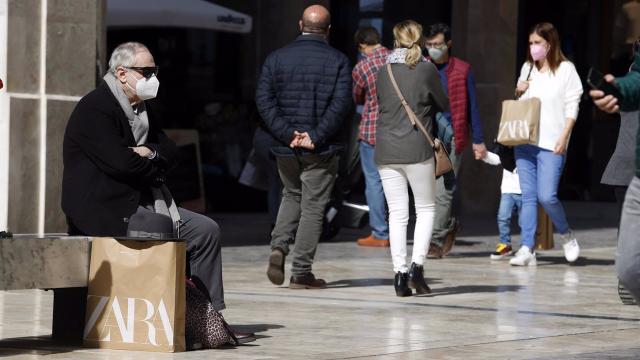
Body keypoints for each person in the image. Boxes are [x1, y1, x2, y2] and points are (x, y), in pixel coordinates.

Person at [62, 42, 253, 343]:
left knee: (205, 229)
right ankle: (171, 318)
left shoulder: (143, 110)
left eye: (155, 71)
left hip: (143, 200)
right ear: (122, 73)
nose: (154, 78)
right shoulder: (95, 108)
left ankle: (208, 318)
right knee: (159, 226)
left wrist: (147, 152)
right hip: (105, 207)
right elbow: (121, 165)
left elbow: (172, 152)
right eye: (147, 71)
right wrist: (151, 159)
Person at [256, 5, 352, 289]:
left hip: (286, 147)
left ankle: (278, 247)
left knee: (291, 194)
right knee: (312, 207)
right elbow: (341, 104)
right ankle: (301, 271)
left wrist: (288, 133)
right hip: (320, 150)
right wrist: (316, 135)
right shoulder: (339, 61)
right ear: (328, 30)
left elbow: (264, 100)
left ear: (301, 24)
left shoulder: (276, 58)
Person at [375, 20, 449, 297]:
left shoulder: (384, 71)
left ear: (395, 39)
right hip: (417, 147)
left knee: (397, 214)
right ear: (418, 40)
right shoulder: (427, 68)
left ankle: (399, 274)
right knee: (426, 209)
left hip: (386, 149)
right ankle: (417, 269)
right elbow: (443, 102)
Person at [509, 23, 583, 267]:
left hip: (552, 142)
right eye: (531, 43)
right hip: (525, 142)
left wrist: (565, 135)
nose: (533, 48)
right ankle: (527, 247)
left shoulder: (566, 70)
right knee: (528, 197)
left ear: (549, 44)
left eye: (538, 43)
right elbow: (521, 105)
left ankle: (566, 234)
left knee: (547, 196)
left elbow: (573, 105)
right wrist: (518, 91)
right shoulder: (527, 68)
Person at [423, 23, 487, 258]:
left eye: (437, 44)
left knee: (444, 190)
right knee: (428, 191)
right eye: (428, 45)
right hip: (425, 137)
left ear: (448, 44)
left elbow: (473, 107)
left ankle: (436, 240)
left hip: (452, 137)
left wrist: (478, 140)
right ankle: (447, 225)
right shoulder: (422, 67)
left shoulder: (462, 70)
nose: (433, 49)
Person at [590, 42, 640, 302]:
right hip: (628, 166)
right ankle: (626, 283)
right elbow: (633, 82)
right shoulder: (634, 74)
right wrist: (618, 90)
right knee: (629, 264)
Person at [352, 26, 391, 247]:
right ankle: (397, 229)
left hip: (371, 131)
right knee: (396, 181)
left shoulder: (362, 66)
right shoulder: (396, 60)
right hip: (398, 131)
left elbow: (356, 97)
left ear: (361, 45)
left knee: (374, 182)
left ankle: (380, 233)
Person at [481, 147, 522, 260]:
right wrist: (484, 155)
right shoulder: (507, 146)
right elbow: (497, 158)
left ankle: (525, 246)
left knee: (525, 221)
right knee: (503, 217)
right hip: (508, 189)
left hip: (524, 190)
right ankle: (505, 245)